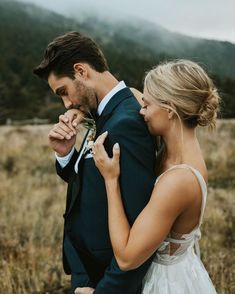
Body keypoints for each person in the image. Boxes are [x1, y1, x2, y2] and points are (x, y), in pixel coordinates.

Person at [33, 31, 157, 294]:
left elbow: (141, 230)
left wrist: (106, 290)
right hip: (87, 270)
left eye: (63, 92)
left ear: (81, 71)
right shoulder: (102, 114)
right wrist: (66, 153)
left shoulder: (126, 124)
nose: (66, 104)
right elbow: (92, 180)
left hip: (106, 278)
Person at [91, 60, 219, 293]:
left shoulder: (179, 180)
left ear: (169, 110)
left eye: (147, 106)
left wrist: (111, 180)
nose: (142, 112)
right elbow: (131, 93)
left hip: (167, 284)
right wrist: (77, 108)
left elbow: (127, 258)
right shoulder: (174, 146)